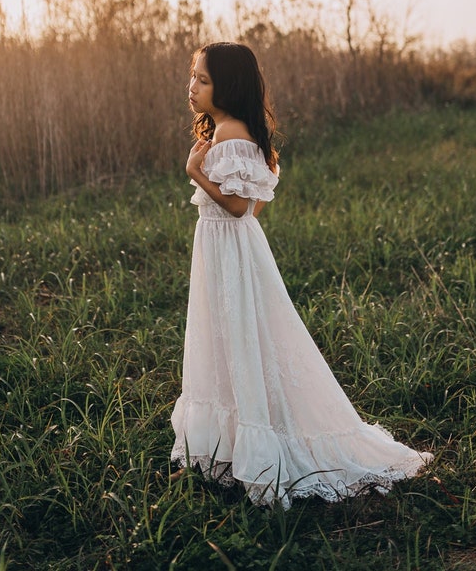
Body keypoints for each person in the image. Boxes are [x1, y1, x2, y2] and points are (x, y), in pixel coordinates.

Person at [169, 42, 433, 509]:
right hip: (236, 249)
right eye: (193, 76)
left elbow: (235, 207)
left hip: (228, 248)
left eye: (203, 79)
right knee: (240, 339)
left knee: (233, 338)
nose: (192, 86)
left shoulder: (228, 136)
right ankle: (236, 442)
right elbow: (257, 205)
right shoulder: (244, 130)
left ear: (227, 86)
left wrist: (195, 170)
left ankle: (250, 448)